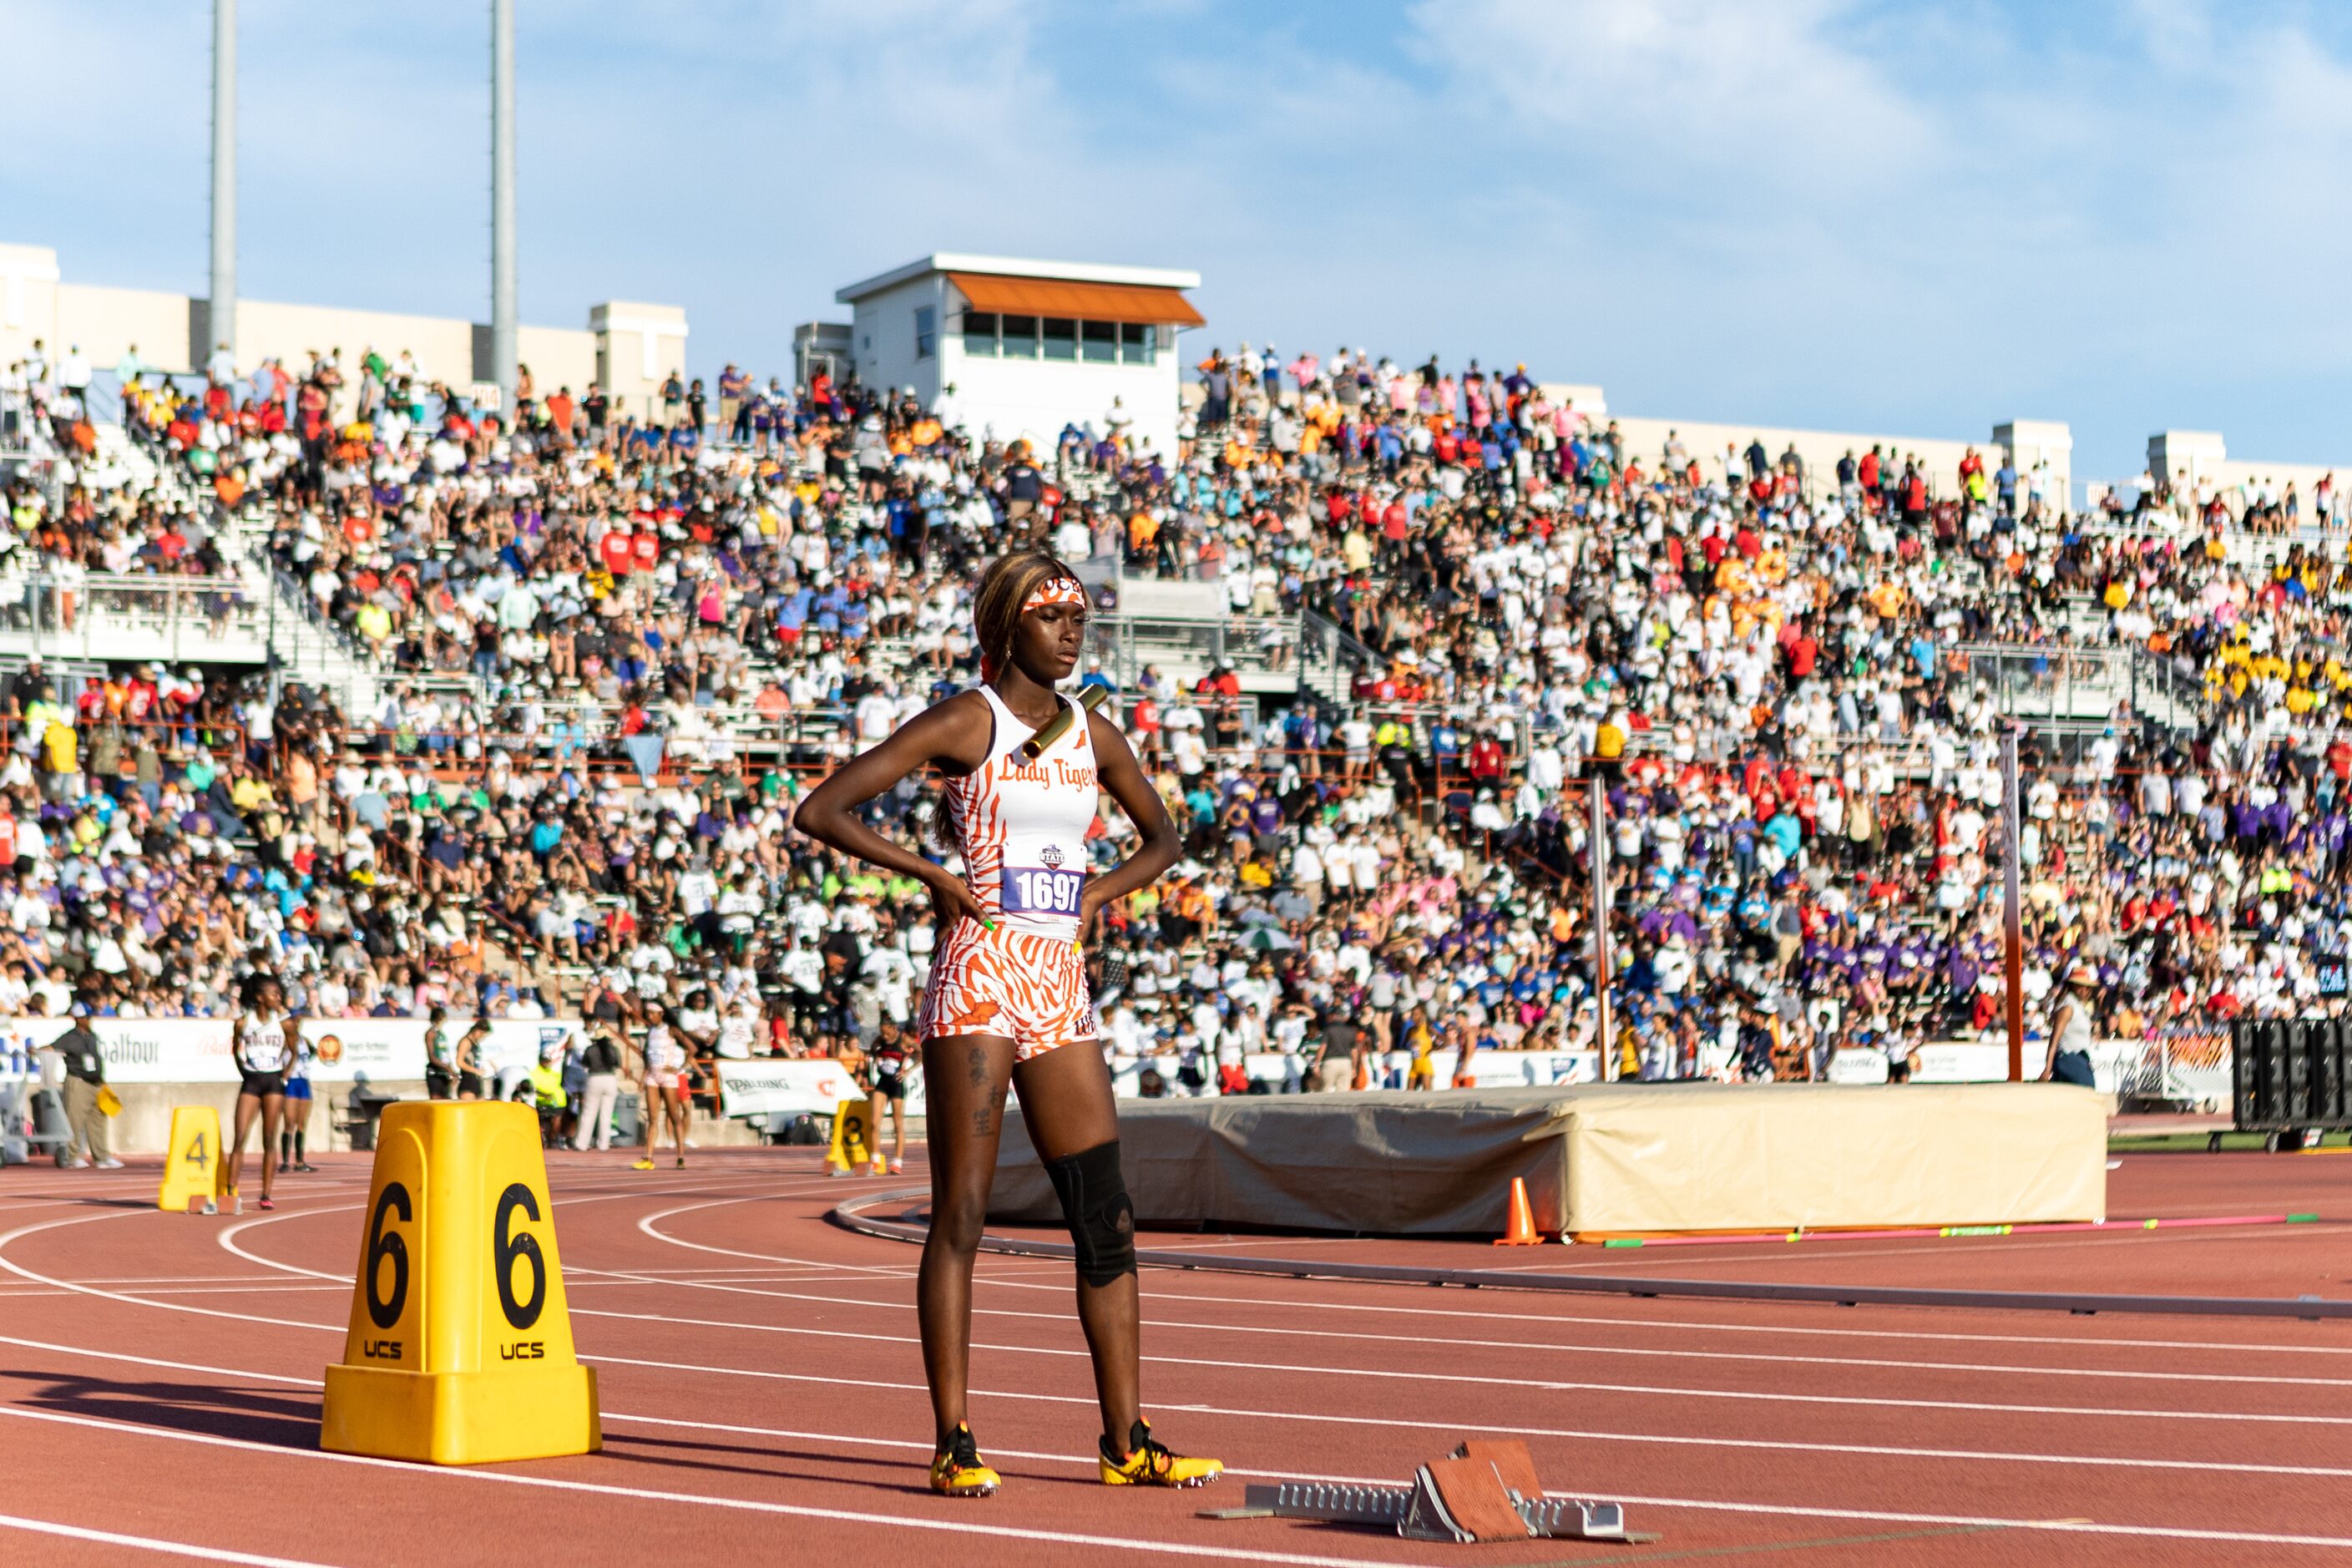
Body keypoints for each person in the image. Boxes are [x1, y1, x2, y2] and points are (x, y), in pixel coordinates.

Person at [795, 551, 1222, 1500]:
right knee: (964, 1214)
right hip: (980, 977)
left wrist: (1097, 897)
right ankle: (953, 1439)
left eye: (1080, 612)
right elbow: (822, 808)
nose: (1073, 627)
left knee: (1104, 1218)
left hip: (1057, 983)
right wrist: (936, 876)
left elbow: (1165, 840)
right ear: (1006, 628)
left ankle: (1127, 1440)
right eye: (1052, 613)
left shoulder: (1092, 733)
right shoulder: (965, 720)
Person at [229, 976, 299, 1211]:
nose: (278, 998)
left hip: (273, 1082)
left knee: (269, 1139)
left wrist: (286, 1075)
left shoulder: (284, 1023)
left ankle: (266, 1193)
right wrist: (244, 1070)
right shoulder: (242, 1022)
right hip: (251, 1081)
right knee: (239, 1137)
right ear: (260, 997)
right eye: (274, 994)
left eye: (279, 994)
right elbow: (235, 1049)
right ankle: (231, 1191)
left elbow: (294, 1051)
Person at [55, 1004, 119, 1170]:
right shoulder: (69, 1038)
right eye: (87, 1017)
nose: (90, 1020)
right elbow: (52, 1047)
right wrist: (35, 1050)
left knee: (98, 1119)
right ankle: (73, 1156)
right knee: (74, 1119)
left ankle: (102, 1156)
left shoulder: (92, 1036)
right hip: (79, 1081)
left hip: (95, 1082)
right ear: (79, 1019)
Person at [633, 1003, 690, 1170]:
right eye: (648, 1013)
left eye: (652, 1013)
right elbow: (646, 1053)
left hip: (668, 1077)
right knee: (652, 1119)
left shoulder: (671, 1029)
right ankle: (648, 1158)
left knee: (674, 1116)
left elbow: (691, 1048)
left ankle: (680, 1157)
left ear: (661, 1013)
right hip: (653, 1076)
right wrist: (644, 1073)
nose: (649, 1016)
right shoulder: (650, 1031)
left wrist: (679, 1068)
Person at [865, 1019, 912, 1176]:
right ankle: (876, 1160)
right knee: (874, 1122)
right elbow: (872, 1049)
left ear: (894, 1028)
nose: (884, 1036)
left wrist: (908, 1070)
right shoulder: (880, 1040)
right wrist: (876, 1058)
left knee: (897, 1122)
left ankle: (897, 1162)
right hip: (883, 1083)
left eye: (886, 1032)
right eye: (882, 1033)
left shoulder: (904, 1039)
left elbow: (922, 1052)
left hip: (897, 1085)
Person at [2042, 961, 2099, 1088]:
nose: (2085, 990)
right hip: (2068, 1056)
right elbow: (2055, 1039)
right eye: (2081, 986)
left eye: (2088, 987)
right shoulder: (2068, 1007)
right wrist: (2048, 1068)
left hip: (2079, 1057)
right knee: (2087, 1091)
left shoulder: (2078, 1006)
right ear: (2072, 985)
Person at [574, 1023, 624, 1151]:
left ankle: (581, 1143)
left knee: (588, 1113)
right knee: (606, 1114)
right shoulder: (614, 1050)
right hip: (610, 1079)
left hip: (594, 1079)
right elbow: (618, 1064)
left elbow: (585, 1064)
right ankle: (603, 1144)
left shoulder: (590, 1049)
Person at [278, 1033, 316, 1174]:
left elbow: (312, 1053)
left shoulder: (304, 1039)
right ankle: (286, 1161)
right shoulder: (285, 1040)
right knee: (289, 1123)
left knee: (301, 1124)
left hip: (304, 1082)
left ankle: (300, 1161)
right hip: (291, 1082)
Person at [454, 1018, 492, 1101]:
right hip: (468, 1083)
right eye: (481, 1033)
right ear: (475, 1029)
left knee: (481, 1112)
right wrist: (475, 1071)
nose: (481, 1036)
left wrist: (480, 1069)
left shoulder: (476, 1043)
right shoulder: (466, 1042)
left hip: (477, 1082)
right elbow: (459, 1062)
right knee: (470, 1112)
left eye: (484, 1034)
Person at [422, 1005, 455, 1100]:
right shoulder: (430, 1033)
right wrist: (448, 1068)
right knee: (436, 1102)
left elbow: (446, 1055)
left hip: (444, 1072)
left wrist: (452, 1069)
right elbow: (432, 1057)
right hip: (435, 1072)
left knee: (447, 1101)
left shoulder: (442, 1034)